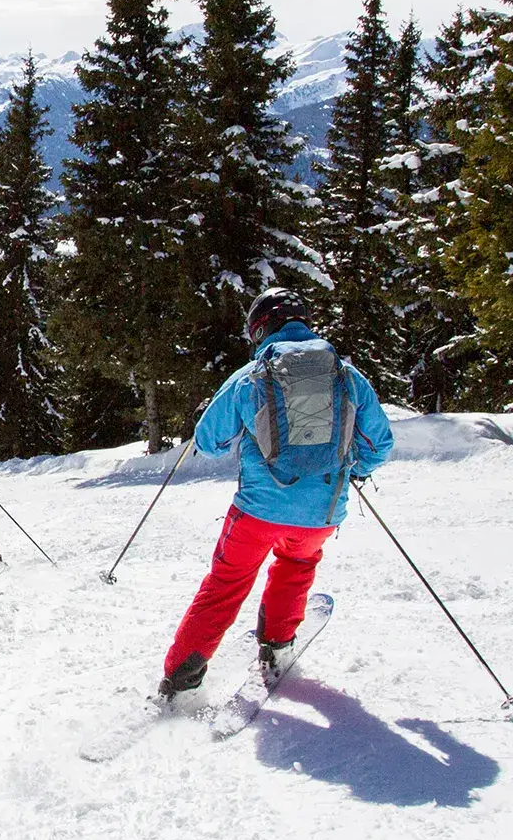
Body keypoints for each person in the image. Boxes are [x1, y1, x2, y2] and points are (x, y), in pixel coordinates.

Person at [157, 287, 394, 705]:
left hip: (258, 511)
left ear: (260, 329)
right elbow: (379, 443)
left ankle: (180, 682)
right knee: (296, 565)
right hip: (321, 511)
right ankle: (277, 647)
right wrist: (355, 469)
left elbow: (209, 442)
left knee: (226, 583)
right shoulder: (346, 375)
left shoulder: (251, 376)